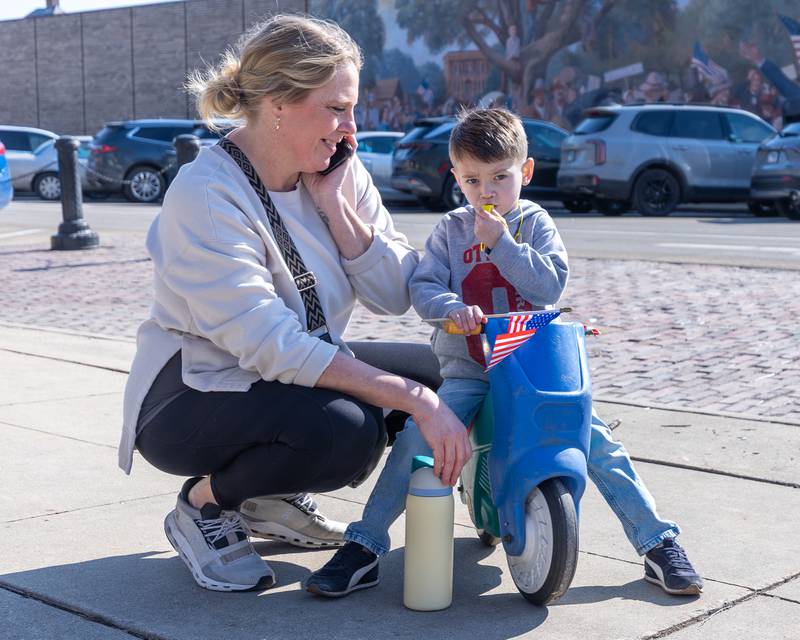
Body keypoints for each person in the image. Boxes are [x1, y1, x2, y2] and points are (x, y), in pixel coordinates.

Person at [118, 14, 471, 593]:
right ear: (279, 102)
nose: (350, 126)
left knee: (451, 370)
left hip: (289, 369)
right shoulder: (205, 195)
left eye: (351, 108)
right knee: (346, 433)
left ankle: (267, 497)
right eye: (336, 108)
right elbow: (268, 343)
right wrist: (409, 399)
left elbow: (392, 292)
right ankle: (205, 504)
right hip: (193, 392)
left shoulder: (335, 168)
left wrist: (337, 207)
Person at [306, 108, 703, 599]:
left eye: (500, 177)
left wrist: (502, 244)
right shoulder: (451, 229)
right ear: (456, 178)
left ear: (526, 173)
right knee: (415, 441)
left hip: (532, 368)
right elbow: (424, 288)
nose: (487, 192)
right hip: (469, 370)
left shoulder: (533, 222)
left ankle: (657, 541)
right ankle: (364, 544)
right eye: (473, 180)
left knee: (597, 442)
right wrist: (452, 307)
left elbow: (550, 284)